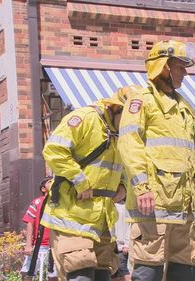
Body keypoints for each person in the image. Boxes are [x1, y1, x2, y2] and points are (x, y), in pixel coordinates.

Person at [117, 40, 195, 281]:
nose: (185, 73)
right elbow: (129, 143)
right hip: (153, 208)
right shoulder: (141, 101)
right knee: (148, 273)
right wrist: (141, 187)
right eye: (181, 67)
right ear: (164, 67)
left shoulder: (185, 108)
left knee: (185, 272)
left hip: (185, 210)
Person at [41, 89, 128, 281]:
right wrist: (80, 182)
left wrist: (123, 187)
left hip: (102, 220)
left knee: (102, 274)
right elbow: (54, 150)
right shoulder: (85, 118)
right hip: (72, 216)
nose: (132, 126)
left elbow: (125, 168)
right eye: (129, 119)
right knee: (81, 274)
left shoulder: (121, 134)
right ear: (114, 109)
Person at [20, 177, 57, 281]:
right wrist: (28, 245)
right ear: (43, 188)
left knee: (54, 275)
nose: (53, 183)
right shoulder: (37, 202)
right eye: (49, 182)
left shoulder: (59, 202)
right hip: (39, 245)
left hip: (54, 245)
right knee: (28, 272)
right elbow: (30, 223)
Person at [113, 200, 131, 281]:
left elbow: (130, 226)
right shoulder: (111, 205)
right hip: (114, 247)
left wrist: (127, 244)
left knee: (124, 272)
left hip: (122, 247)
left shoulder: (125, 207)